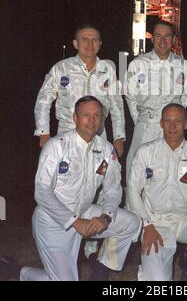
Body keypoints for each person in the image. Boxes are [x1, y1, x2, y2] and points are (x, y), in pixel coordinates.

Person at [20, 96, 141, 281]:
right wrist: (75, 223)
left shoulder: (107, 149)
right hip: (53, 221)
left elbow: (113, 189)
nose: (92, 121)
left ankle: (100, 272)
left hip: (84, 213)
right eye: (86, 115)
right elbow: (42, 192)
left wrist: (106, 216)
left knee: (132, 223)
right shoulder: (57, 146)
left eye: (96, 115)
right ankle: (21, 272)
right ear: (75, 117)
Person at [127, 104, 187, 281]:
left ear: (186, 124)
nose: (172, 126)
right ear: (161, 123)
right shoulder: (145, 152)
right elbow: (133, 190)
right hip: (154, 222)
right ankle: (147, 267)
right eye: (168, 121)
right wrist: (147, 225)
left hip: (182, 219)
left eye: (178, 121)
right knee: (158, 281)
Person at [34, 24, 125, 157]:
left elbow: (117, 105)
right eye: (84, 39)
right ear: (76, 44)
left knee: (98, 175)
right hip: (67, 133)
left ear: (100, 44)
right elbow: (43, 100)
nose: (90, 44)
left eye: (94, 40)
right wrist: (43, 132)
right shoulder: (61, 68)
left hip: (98, 135)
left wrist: (119, 137)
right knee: (65, 175)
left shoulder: (108, 70)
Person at [124, 21, 187, 181]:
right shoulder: (138, 64)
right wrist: (141, 120)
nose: (162, 41)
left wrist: (175, 121)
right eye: (158, 36)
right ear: (152, 39)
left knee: (170, 171)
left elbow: (185, 98)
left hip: (172, 127)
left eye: (167, 36)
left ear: (174, 39)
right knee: (137, 170)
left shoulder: (183, 66)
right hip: (145, 126)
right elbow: (130, 97)